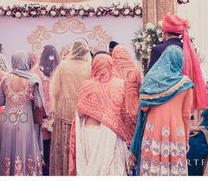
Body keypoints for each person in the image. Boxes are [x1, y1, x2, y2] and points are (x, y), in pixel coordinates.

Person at [128, 45, 194, 176]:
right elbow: (186, 115)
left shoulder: (151, 80)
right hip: (176, 132)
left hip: (154, 131)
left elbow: (144, 107)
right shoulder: (185, 83)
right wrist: (186, 139)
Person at [68, 54, 139, 175]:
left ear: (94, 66)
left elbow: (79, 113)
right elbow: (126, 113)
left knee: (89, 169)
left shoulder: (87, 85)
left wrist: (94, 110)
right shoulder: (120, 85)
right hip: (112, 135)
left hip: (88, 134)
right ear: (110, 66)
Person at [0, 50, 45, 176]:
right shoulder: (33, 79)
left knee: (8, 152)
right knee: (24, 151)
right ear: (26, 62)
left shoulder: (5, 78)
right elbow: (38, 104)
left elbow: (0, 101)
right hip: (25, 123)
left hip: (7, 122)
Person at [49, 39, 92, 175]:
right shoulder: (88, 67)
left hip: (64, 111)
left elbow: (55, 91)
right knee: (80, 145)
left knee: (64, 144)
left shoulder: (63, 66)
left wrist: (54, 111)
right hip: (83, 113)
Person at [150, 13, 208, 110]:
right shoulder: (188, 48)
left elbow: (151, 75)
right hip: (184, 95)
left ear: (164, 32)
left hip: (163, 98)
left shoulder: (158, 49)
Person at [33, 45, 61, 176]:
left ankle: (44, 169)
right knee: (54, 142)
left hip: (42, 110)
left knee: (43, 141)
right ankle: (54, 168)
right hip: (56, 109)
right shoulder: (59, 70)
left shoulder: (35, 71)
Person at [111, 45, 142, 131]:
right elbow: (140, 87)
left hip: (118, 108)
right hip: (133, 107)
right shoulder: (136, 70)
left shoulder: (111, 70)